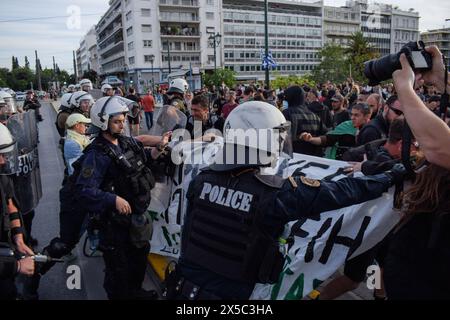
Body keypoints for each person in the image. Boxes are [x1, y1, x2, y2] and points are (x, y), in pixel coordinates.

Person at [166, 101, 406, 300]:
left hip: (185, 290)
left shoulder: (202, 179)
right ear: (263, 140)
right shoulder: (274, 194)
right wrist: (390, 175)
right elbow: (341, 192)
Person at [69, 96, 171, 299]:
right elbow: (83, 190)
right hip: (115, 225)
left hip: (136, 218)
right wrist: (112, 199)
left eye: (123, 120)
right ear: (102, 121)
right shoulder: (97, 154)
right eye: (117, 121)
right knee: (119, 272)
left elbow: (142, 161)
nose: (122, 124)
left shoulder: (126, 142)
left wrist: (159, 148)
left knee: (139, 260)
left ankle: (136, 292)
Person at [0, 123, 35, 299]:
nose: (3, 161)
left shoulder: (2, 177)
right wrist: (17, 267)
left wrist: (18, 238)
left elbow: (11, 205)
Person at [300, 103, 372, 160]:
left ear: (367, 116)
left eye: (356, 115)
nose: (352, 118)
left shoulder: (373, 130)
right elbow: (328, 139)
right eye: (352, 114)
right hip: (342, 163)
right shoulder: (346, 126)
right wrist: (311, 139)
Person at [282, 85, 327, 156]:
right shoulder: (314, 116)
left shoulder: (286, 114)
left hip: (293, 159)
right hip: (313, 160)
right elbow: (325, 137)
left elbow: (280, 138)